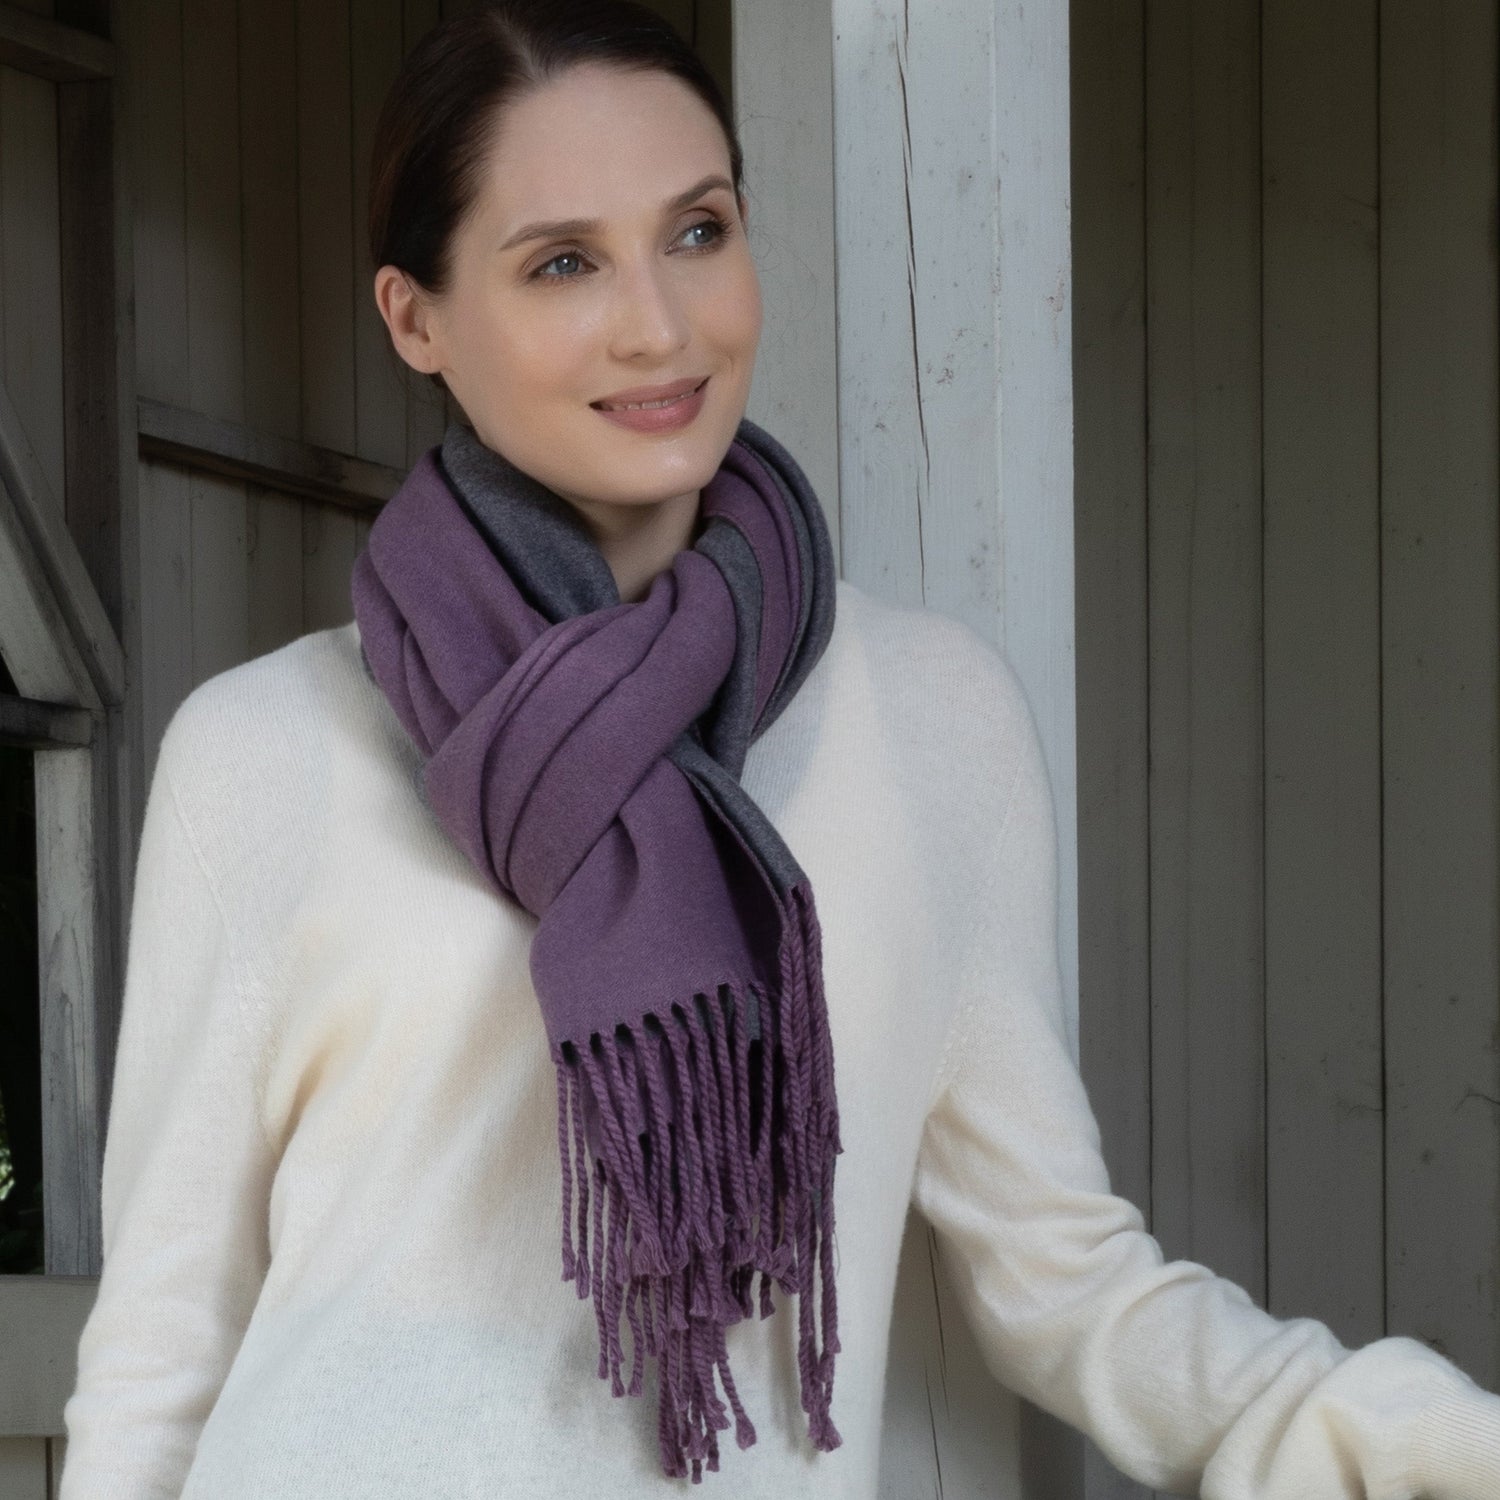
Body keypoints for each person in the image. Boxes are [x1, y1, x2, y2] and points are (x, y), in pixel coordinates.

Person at [57, 1, 1500, 1496]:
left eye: (698, 232)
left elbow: (1064, 1282)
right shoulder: (266, 748)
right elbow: (163, 1350)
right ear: (413, 316)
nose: (660, 326)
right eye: (564, 262)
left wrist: (1393, 1428)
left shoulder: (933, 720)